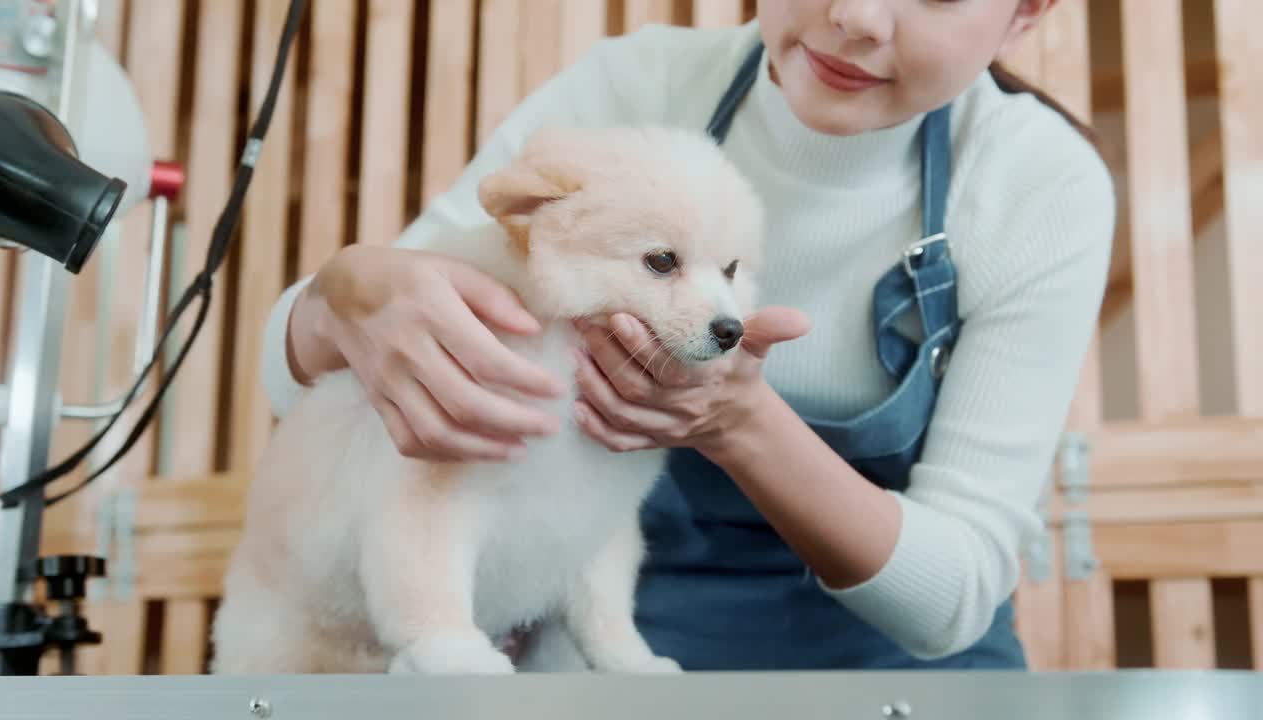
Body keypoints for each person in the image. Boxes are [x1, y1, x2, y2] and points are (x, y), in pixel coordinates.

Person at [259, 0, 1114, 671]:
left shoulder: (1036, 188)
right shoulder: (635, 93)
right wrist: (335, 303)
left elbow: (951, 602)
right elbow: (305, 386)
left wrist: (741, 425)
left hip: (895, 668)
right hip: (623, 633)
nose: (857, 14)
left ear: (1026, 13)